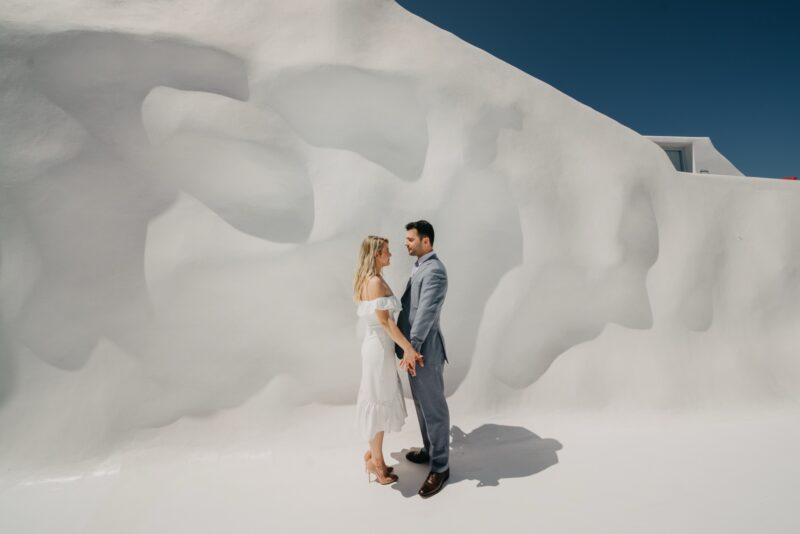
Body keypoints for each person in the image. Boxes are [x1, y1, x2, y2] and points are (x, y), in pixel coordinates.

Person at [353, 235, 421, 485]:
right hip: (378, 349)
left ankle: (373, 455)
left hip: (379, 348)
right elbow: (385, 322)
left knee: (379, 398)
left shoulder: (372, 280)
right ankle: (376, 463)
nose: (390, 255)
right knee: (377, 401)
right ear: (375, 255)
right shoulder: (374, 283)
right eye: (386, 251)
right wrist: (409, 349)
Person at [395, 220, 451, 498]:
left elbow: (426, 313)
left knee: (433, 407)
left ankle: (441, 467)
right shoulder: (420, 266)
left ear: (426, 241)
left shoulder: (436, 272)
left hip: (423, 351)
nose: (406, 243)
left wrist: (412, 347)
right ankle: (431, 450)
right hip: (413, 351)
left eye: (410, 239)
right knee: (420, 403)